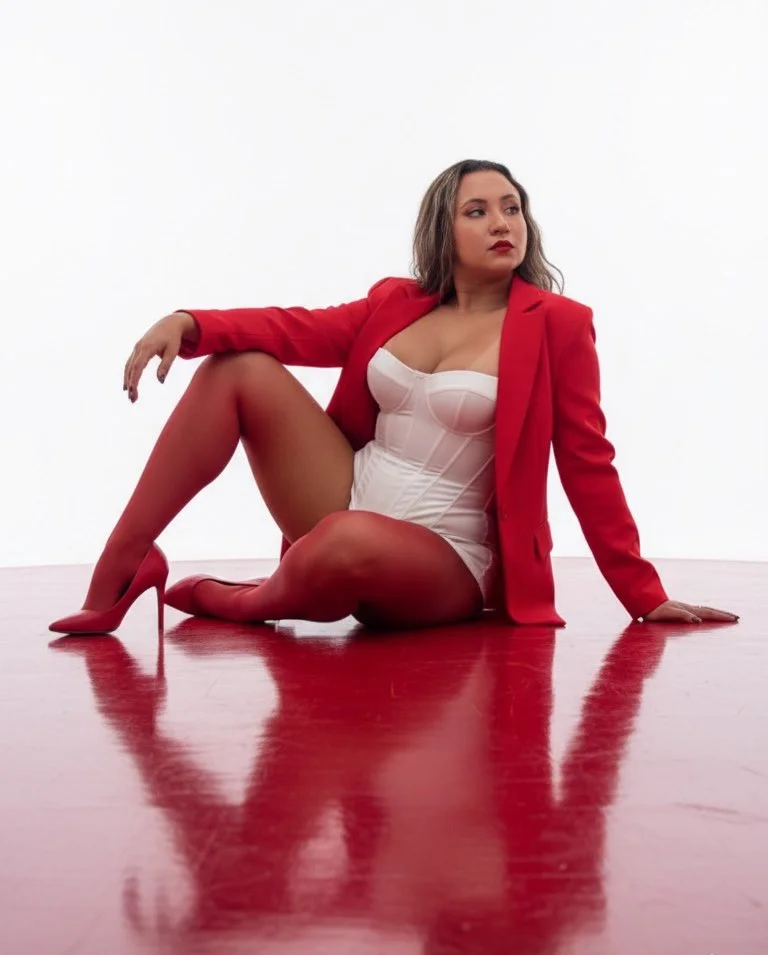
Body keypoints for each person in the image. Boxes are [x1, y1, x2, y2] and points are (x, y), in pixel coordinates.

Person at [49, 159, 739, 635]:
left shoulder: (556, 325)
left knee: (344, 540)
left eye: (512, 208)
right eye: (478, 211)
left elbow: (589, 460)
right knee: (239, 370)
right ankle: (124, 564)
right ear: (444, 229)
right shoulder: (397, 302)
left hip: (448, 557)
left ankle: (250, 602)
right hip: (346, 497)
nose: (502, 222)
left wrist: (644, 595)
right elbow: (295, 329)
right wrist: (189, 323)